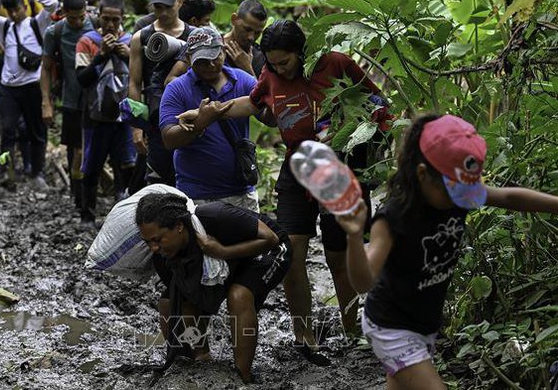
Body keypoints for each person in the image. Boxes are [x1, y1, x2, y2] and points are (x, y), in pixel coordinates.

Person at [176, 19, 388, 364]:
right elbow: (255, 102)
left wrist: (375, 144)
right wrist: (209, 114)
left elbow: (378, 102)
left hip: (339, 169)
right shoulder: (271, 74)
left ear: (301, 53)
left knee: (338, 256)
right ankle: (304, 336)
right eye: (271, 64)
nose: (278, 70)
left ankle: (353, 333)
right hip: (296, 168)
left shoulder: (334, 64)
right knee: (291, 252)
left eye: (284, 63)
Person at [334, 114, 558, 389]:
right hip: (391, 327)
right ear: (422, 174)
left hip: (424, 323)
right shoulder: (394, 217)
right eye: (454, 191)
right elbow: (364, 281)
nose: (463, 198)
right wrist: (355, 236)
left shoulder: (458, 190)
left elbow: (509, 197)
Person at [135, 192, 291, 383]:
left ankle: (243, 375)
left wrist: (222, 251)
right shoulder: (163, 257)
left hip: (267, 249)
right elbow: (185, 300)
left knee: (238, 295)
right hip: (228, 261)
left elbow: (271, 239)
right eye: (148, 242)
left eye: (158, 240)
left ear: (179, 227)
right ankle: (201, 358)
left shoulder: (215, 216)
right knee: (169, 303)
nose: (153, 248)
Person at [159, 27, 258, 211]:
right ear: (189, 58)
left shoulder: (243, 80)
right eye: (203, 61)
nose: (211, 65)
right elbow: (169, 139)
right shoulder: (177, 89)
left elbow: (268, 115)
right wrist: (200, 123)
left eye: (215, 56)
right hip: (196, 195)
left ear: (223, 49)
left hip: (241, 192)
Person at [0, 0, 59, 189]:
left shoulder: (37, 24)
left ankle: (37, 173)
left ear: (24, 6)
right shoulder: (3, 26)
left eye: (18, 9)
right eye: (11, 11)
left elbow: (54, 4)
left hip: (33, 85)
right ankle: (7, 171)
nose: (15, 14)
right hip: (9, 88)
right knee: (8, 130)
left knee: (37, 131)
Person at [75, 0, 135, 225]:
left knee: (125, 163)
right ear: (98, 17)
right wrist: (100, 55)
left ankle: (122, 216)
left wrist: (128, 56)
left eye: (115, 20)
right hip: (94, 115)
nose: (110, 24)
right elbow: (81, 78)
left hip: (124, 116)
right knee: (92, 165)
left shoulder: (131, 41)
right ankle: (87, 214)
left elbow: (141, 75)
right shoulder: (86, 41)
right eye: (106, 19)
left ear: (122, 19)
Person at [128, 0, 194, 190]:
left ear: (180, 2)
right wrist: (137, 126)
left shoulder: (193, 36)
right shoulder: (141, 37)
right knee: (156, 178)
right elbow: (135, 83)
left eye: (168, 6)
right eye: (158, 7)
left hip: (188, 116)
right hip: (156, 117)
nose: (163, 12)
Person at [41, 0, 96, 207]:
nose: (77, 22)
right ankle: (78, 196)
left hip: (97, 100)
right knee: (76, 149)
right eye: (72, 18)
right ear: (63, 12)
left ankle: (89, 190)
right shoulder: (55, 32)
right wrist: (46, 102)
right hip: (72, 99)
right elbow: (45, 68)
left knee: (93, 147)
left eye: (81, 17)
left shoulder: (97, 24)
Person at [165, 0, 267, 85]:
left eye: (257, 33)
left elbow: (264, 99)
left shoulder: (261, 57)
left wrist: (247, 69)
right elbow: (170, 80)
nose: (251, 37)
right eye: (247, 29)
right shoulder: (205, 40)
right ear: (234, 19)